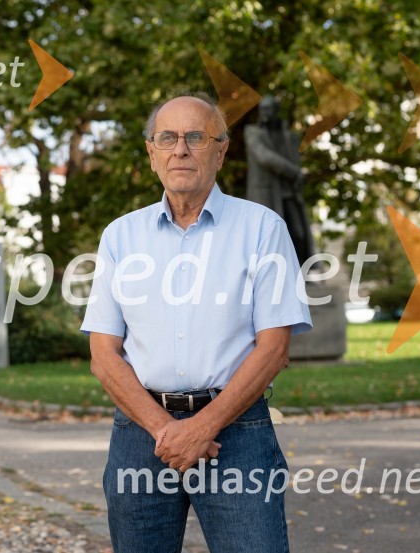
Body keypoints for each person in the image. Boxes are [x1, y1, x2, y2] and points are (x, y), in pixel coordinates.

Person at [81, 91, 312, 552]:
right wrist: (167, 431)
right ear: (151, 153)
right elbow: (103, 355)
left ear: (221, 150)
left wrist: (201, 428)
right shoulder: (120, 237)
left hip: (237, 435)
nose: (180, 149)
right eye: (167, 138)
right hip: (139, 437)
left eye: (195, 137)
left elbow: (274, 350)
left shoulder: (263, 229)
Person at [244, 95, 316, 266]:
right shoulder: (252, 132)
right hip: (266, 194)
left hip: (288, 192)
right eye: (262, 109)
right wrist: (294, 172)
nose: (265, 113)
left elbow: (295, 158)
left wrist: (297, 177)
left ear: (276, 111)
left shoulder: (289, 136)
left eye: (268, 109)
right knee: (269, 238)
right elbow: (265, 157)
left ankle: (299, 274)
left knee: (298, 234)